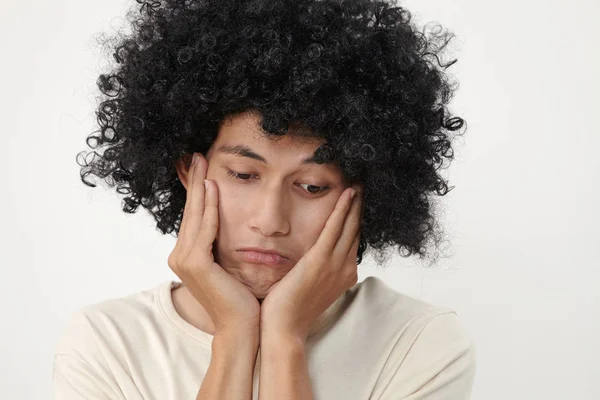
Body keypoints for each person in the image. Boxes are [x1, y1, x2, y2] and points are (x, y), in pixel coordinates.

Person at [53, 0, 476, 398]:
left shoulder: (417, 341)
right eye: (243, 175)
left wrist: (284, 340)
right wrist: (235, 334)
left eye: (312, 186)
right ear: (189, 172)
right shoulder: (107, 342)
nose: (271, 220)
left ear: (364, 194)